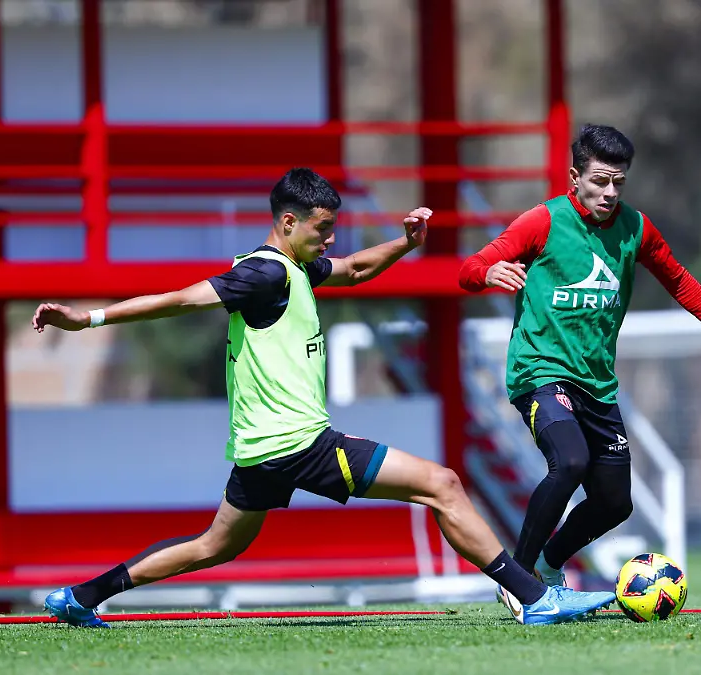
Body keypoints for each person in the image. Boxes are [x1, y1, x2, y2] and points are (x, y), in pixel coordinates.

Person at [32, 168, 616, 627]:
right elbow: (183, 299)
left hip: (262, 451)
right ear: (288, 222)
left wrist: (406, 244)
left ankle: (80, 596)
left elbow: (358, 269)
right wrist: (87, 319)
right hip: (299, 445)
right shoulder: (263, 274)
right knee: (442, 484)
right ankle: (534, 597)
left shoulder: (298, 268)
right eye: (321, 228)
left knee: (212, 547)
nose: (330, 238)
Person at [458, 125, 701, 606]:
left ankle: (548, 563)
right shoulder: (542, 222)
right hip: (540, 373)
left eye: (619, 183)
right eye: (600, 180)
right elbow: (469, 268)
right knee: (571, 461)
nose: (609, 192)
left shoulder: (635, 229)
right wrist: (487, 272)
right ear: (573, 177)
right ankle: (517, 581)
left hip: (597, 385)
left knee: (614, 503)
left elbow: (680, 281)